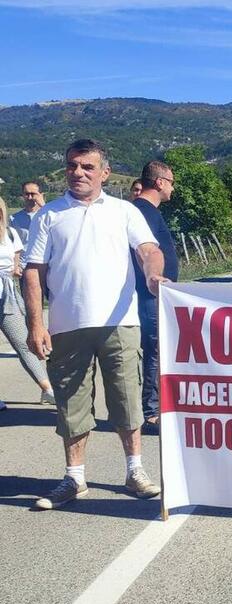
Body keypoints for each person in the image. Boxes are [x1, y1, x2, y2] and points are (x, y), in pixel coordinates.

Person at [23, 139, 167, 510]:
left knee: (126, 399)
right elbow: (34, 273)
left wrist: (154, 276)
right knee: (71, 404)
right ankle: (74, 477)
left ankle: (135, 471)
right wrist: (37, 324)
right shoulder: (49, 215)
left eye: (88, 166)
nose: (78, 172)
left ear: (104, 172)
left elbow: (148, 250)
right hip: (67, 326)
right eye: (72, 165)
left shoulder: (124, 212)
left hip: (120, 323)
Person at [131, 161, 180, 434]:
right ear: (159, 182)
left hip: (155, 291)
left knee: (157, 349)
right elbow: (144, 251)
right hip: (149, 293)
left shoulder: (148, 211)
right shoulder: (143, 211)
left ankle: (154, 407)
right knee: (155, 350)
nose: (172, 187)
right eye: (171, 182)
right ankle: (151, 412)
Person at [0, 197, 56, 406]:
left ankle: (47, 389)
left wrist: (15, 270)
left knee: (24, 343)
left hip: (7, 295)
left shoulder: (10, 234)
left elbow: (15, 264)